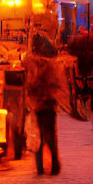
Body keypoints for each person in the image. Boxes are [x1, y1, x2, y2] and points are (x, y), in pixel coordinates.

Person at [23, 32, 69, 175]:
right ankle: (50, 166)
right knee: (46, 135)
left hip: (42, 104)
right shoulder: (49, 65)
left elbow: (31, 84)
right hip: (46, 104)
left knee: (42, 136)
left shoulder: (38, 64)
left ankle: (44, 167)